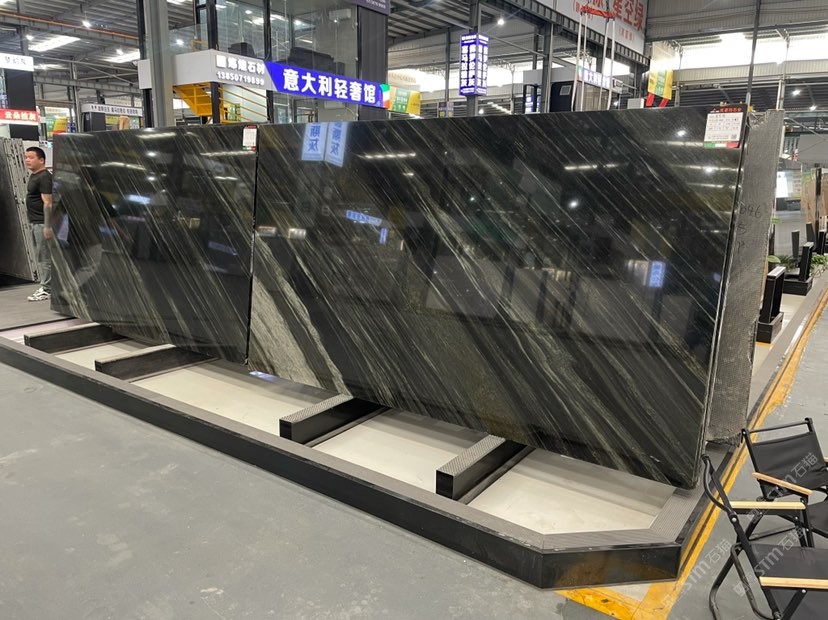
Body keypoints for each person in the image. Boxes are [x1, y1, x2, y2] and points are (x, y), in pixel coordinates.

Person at [24, 146, 53, 302]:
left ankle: (47, 289)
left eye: (31, 157)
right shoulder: (34, 176)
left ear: (41, 160)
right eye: (26, 157)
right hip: (35, 222)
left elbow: (48, 203)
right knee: (41, 256)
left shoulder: (44, 177)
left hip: (42, 223)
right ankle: (47, 286)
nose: (27, 160)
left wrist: (47, 226)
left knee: (45, 257)